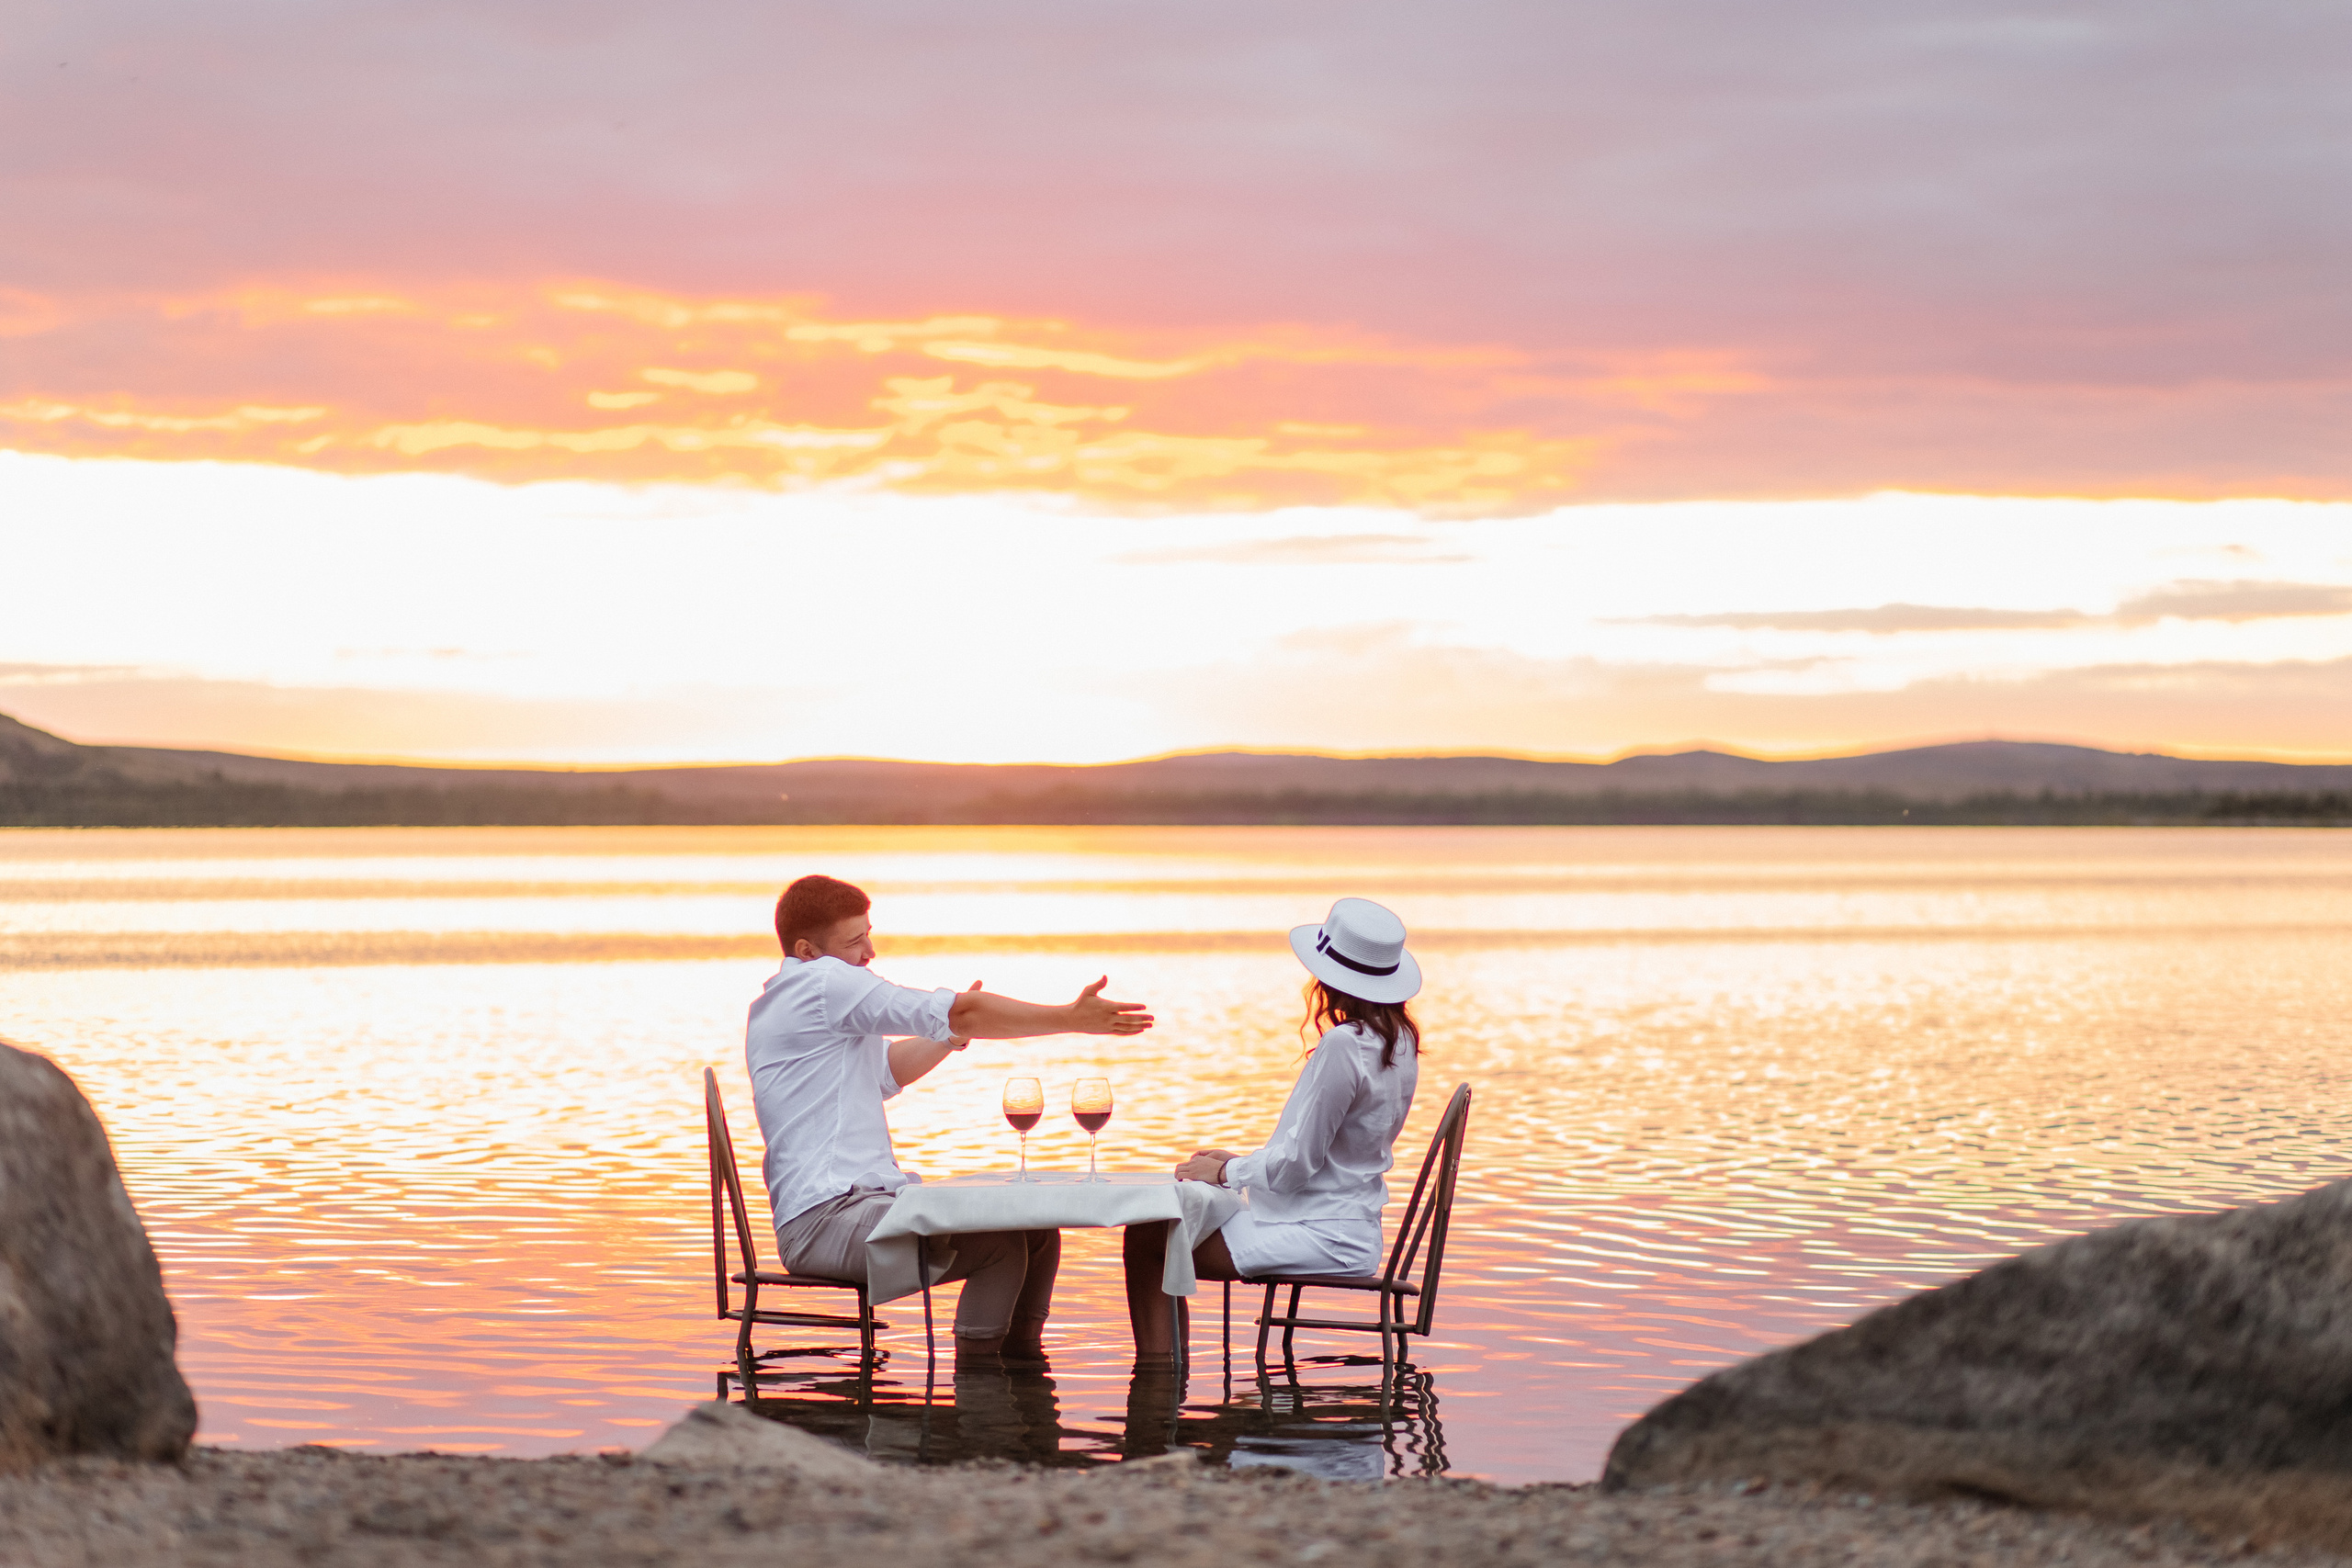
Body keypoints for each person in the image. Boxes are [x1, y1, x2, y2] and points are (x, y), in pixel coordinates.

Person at [748, 874, 1153, 1366]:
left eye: (869, 934)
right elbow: (966, 1012)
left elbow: (886, 1074)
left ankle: (1023, 1368)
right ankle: (980, 1385)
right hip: (824, 1221)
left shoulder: (804, 998)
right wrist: (1070, 1017)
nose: (869, 952)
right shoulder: (821, 984)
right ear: (808, 951)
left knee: (1037, 1232)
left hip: (857, 1205)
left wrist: (952, 1036)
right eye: (855, 941)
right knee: (1001, 1243)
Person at [1122, 897, 1422, 1363]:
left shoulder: (1346, 1045)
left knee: (1151, 1242)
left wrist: (1228, 1173)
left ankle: (1159, 1385)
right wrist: (1234, 1163)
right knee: (1160, 1229)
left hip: (1323, 1232)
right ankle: (1168, 1380)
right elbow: (1329, 1155)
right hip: (1345, 1222)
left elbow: (1296, 1167)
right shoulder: (1398, 1040)